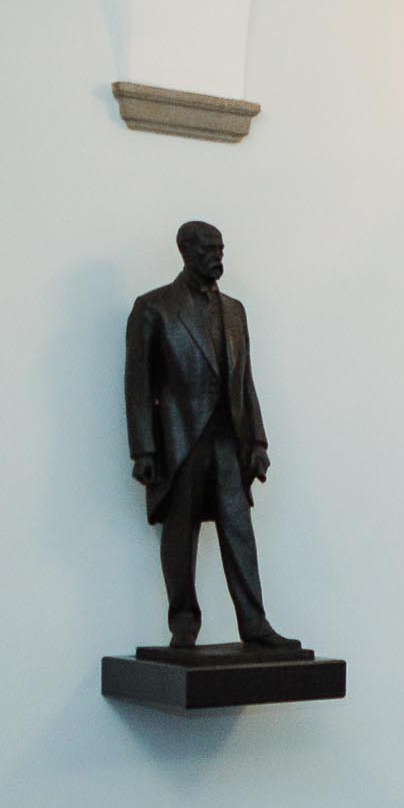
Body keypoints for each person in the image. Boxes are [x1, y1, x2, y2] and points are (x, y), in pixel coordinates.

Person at [124, 220, 298, 650]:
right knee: (180, 534)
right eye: (207, 249)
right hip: (180, 442)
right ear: (185, 251)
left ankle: (254, 623)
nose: (217, 256)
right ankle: (184, 621)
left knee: (239, 531)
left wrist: (257, 443)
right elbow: (138, 385)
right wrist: (144, 449)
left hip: (228, 441)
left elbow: (246, 382)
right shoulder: (154, 308)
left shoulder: (235, 311)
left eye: (220, 248)